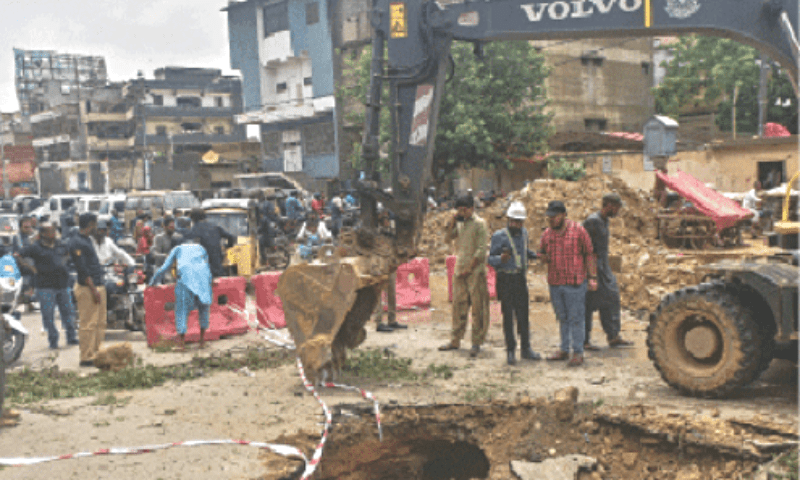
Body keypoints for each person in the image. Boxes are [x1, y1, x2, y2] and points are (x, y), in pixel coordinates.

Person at [539, 201, 596, 367]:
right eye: (549, 217)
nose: (551, 220)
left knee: (576, 318)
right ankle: (564, 349)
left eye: (554, 217)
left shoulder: (578, 230)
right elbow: (542, 253)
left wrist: (593, 277)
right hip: (555, 283)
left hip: (575, 283)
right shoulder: (547, 234)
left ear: (563, 215)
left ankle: (578, 351)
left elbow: (589, 254)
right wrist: (542, 258)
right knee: (562, 318)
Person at [488, 201, 540, 365]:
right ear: (508, 219)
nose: (516, 224)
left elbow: (523, 251)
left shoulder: (524, 233)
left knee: (523, 315)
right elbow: (490, 259)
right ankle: (511, 350)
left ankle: (526, 348)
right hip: (505, 278)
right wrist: (500, 259)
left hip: (519, 278)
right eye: (514, 221)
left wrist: (535, 256)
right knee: (508, 316)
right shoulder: (499, 236)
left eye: (519, 222)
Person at [438, 194, 490, 358]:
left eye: (464, 210)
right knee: (458, 306)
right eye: (459, 210)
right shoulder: (459, 224)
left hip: (475, 271)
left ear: (471, 208)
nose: (462, 213)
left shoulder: (480, 224)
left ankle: (476, 342)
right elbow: (447, 239)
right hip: (460, 269)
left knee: (477, 307)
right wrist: (453, 222)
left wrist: (470, 267)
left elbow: (481, 250)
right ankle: (455, 340)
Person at [582, 193, 633, 351]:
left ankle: (613, 336)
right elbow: (585, 248)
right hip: (592, 268)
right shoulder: (592, 221)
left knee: (611, 299)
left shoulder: (604, 221)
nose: (618, 211)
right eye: (617, 207)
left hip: (603, 266)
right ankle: (584, 341)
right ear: (609, 205)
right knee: (588, 303)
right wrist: (591, 273)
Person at [15, 222, 77, 350]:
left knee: (69, 313)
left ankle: (71, 337)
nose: (53, 233)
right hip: (45, 286)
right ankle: (53, 340)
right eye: (50, 231)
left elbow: (68, 254)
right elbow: (18, 255)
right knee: (48, 316)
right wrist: (31, 267)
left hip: (62, 284)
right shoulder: (35, 247)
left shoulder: (61, 244)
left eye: (54, 231)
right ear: (42, 234)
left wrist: (64, 265)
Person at [149, 238, 213, 351]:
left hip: (186, 278)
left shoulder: (177, 249)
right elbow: (207, 265)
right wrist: (210, 281)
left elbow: (164, 267)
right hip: (203, 278)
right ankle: (202, 341)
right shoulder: (201, 248)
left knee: (182, 310)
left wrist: (152, 282)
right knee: (204, 308)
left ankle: (181, 344)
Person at [69, 213, 107, 367]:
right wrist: (93, 290)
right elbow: (82, 269)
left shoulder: (86, 240)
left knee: (100, 322)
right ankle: (86, 357)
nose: (96, 227)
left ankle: (96, 353)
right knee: (88, 324)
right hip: (87, 287)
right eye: (95, 224)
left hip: (97, 284)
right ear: (90, 224)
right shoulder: (76, 242)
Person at [183, 207, 236, 278]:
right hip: (218, 267)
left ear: (193, 219)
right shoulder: (215, 227)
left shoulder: (194, 230)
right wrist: (227, 246)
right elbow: (231, 237)